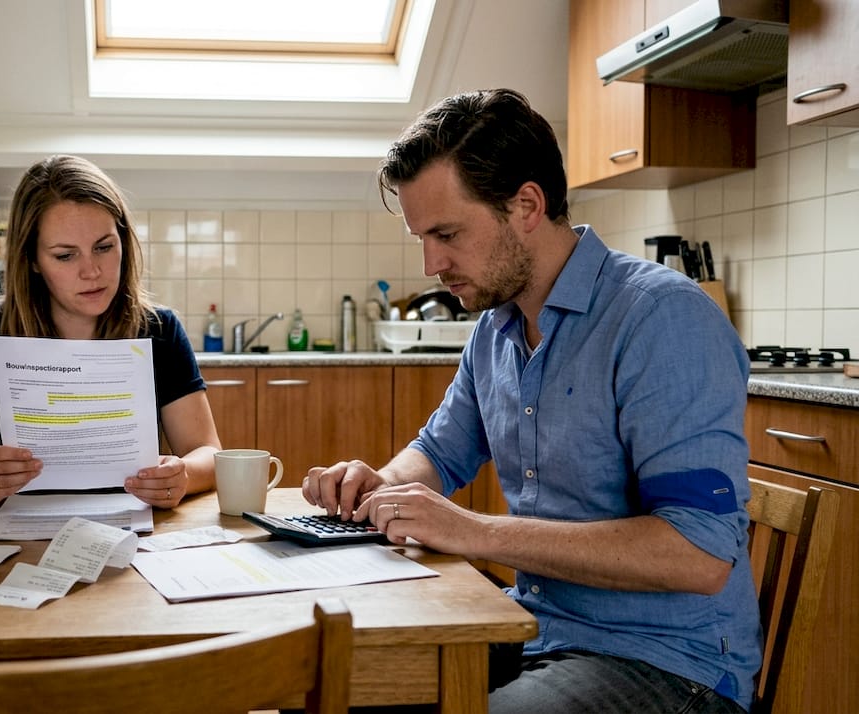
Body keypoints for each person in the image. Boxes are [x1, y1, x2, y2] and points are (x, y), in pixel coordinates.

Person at [302, 89, 759, 713]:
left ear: (526, 205)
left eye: (447, 233)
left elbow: (699, 555)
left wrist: (474, 531)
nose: (432, 262)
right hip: (532, 626)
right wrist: (378, 484)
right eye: (422, 238)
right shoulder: (498, 326)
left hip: (666, 661)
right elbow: (440, 451)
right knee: (328, 682)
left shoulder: (661, 318)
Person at [0, 154, 221, 508]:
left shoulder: (159, 330)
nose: (91, 271)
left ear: (124, 242)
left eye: (104, 247)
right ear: (31, 259)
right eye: (65, 255)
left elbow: (210, 454)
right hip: (11, 534)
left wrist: (182, 474)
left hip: (134, 533)